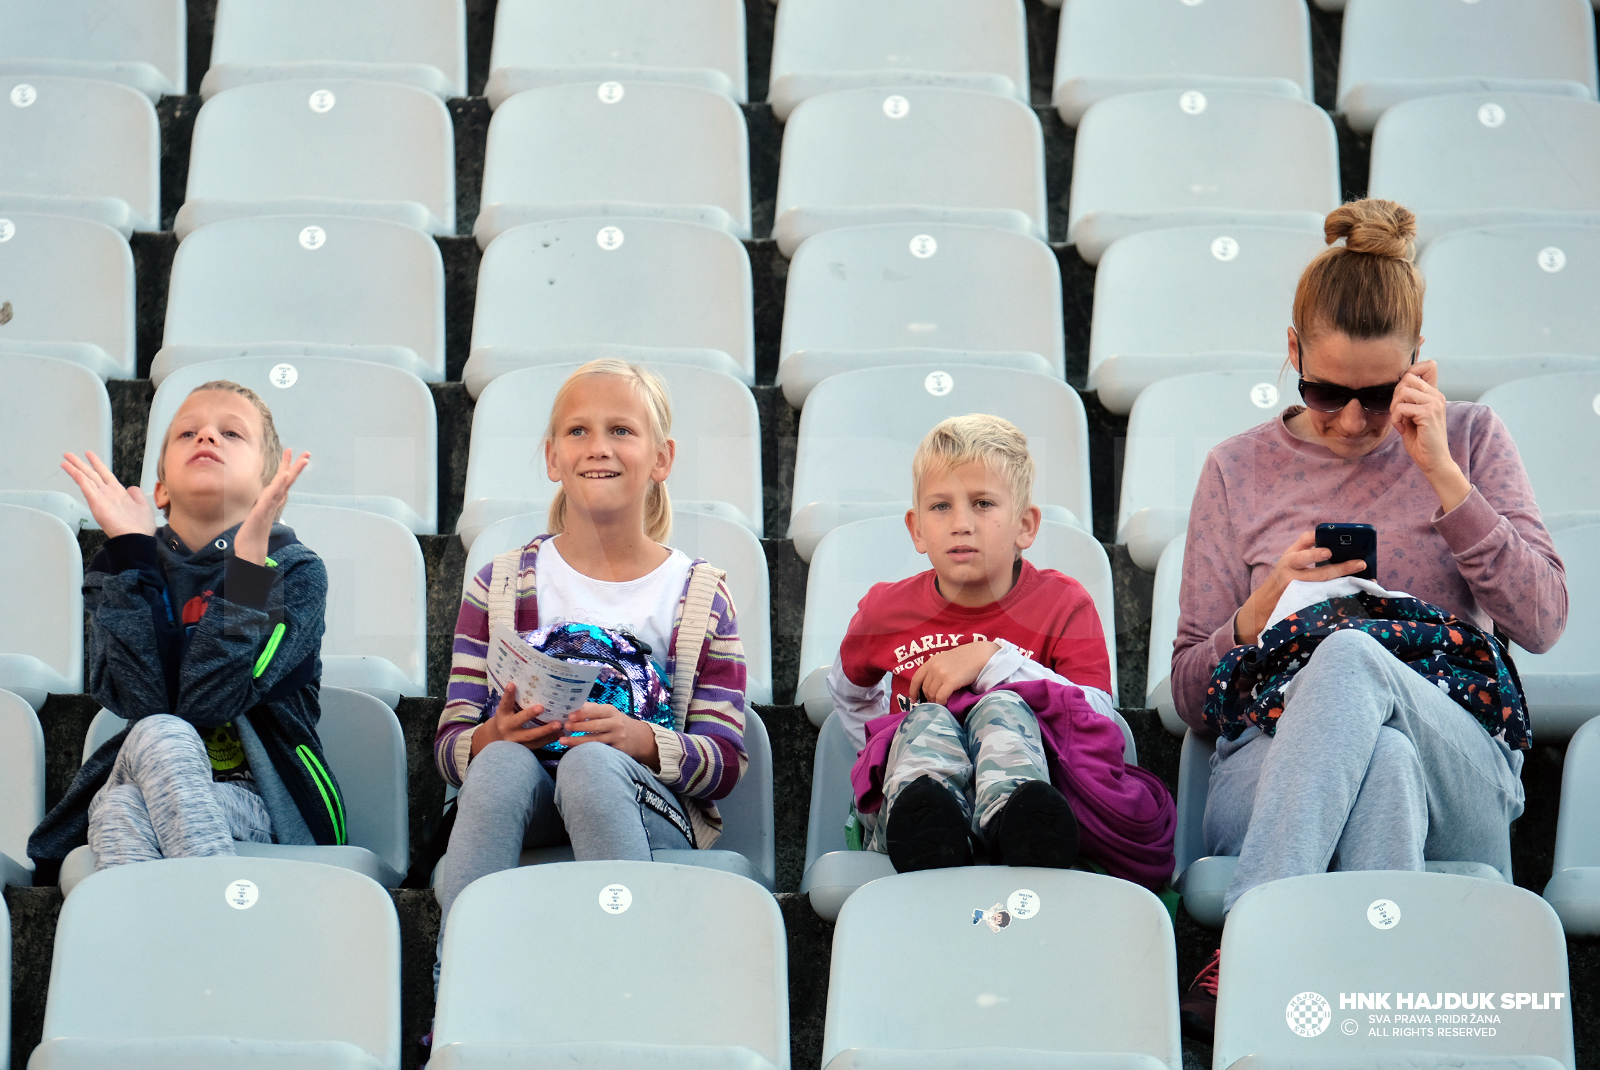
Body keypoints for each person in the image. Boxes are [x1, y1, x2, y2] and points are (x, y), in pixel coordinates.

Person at [1170, 199, 1568, 1031]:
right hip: (1271, 763)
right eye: (1324, 392)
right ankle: (1387, 1002)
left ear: (1419, 367)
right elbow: (1189, 696)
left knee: (1352, 659)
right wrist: (1264, 604)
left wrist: (1444, 480)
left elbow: (1543, 620)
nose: (1352, 421)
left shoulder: (1472, 439)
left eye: (1379, 396)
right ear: (1292, 355)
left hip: (1455, 754)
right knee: (1376, 758)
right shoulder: (1236, 470)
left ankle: (1251, 951)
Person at [431, 359, 748, 979]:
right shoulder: (498, 585)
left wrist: (642, 741)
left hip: (644, 805)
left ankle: (626, 991)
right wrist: (492, 735)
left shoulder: (699, 596)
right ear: (552, 458)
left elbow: (725, 761)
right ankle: (460, 994)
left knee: (592, 764)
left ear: (662, 458)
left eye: (621, 431)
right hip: (526, 799)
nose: (598, 447)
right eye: (578, 432)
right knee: (496, 765)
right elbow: (448, 747)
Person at [828, 415, 1174, 882]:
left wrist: (996, 661)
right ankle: (929, 824)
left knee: (1003, 708)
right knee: (925, 719)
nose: (961, 524)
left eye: (983, 503)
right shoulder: (884, 610)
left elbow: (1098, 715)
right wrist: (883, 744)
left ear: (1025, 525)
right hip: (913, 830)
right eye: (940, 507)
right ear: (916, 529)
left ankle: (1017, 824)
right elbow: (848, 691)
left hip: (1038, 803)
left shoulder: (1063, 603)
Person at [27, 381, 338, 882]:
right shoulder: (121, 568)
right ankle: (207, 930)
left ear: (266, 488)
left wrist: (247, 573)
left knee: (120, 809)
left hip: (259, 798)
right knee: (148, 753)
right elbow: (141, 700)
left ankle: (178, 939)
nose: (207, 438)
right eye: (188, 432)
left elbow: (211, 701)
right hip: (151, 766)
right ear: (161, 490)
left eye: (231, 434)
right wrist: (132, 554)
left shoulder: (293, 572)